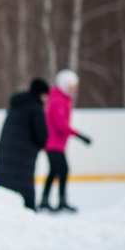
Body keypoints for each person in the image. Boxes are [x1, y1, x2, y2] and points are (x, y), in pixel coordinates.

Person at [41, 69, 93, 213]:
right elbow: (60, 125)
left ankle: (46, 199)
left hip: (56, 144)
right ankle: (59, 200)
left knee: (55, 171)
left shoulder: (62, 99)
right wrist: (79, 135)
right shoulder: (58, 100)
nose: (74, 90)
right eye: (72, 87)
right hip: (53, 144)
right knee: (63, 170)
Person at [0, 78, 50, 210]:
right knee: (25, 199)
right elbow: (42, 137)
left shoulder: (15, 106)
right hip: (23, 163)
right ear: (42, 94)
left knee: (5, 198)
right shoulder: (36, 108)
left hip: (5, 160)